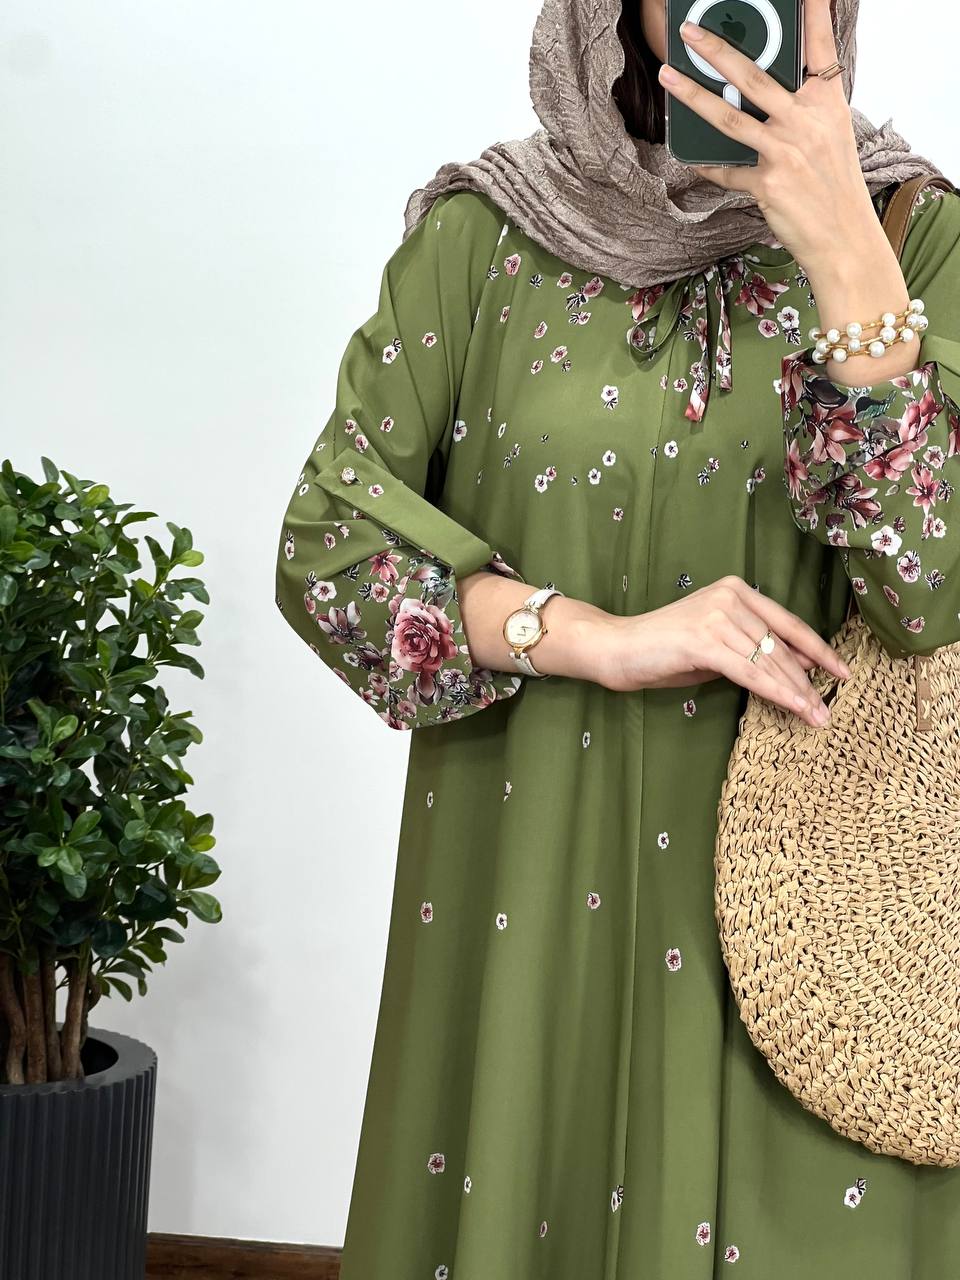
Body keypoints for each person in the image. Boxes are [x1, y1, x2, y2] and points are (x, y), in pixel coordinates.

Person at [273, 0, 960, 1273]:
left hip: (829, 933)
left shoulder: (917, 236)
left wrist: (848, 260)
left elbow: (931, 596)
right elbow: (330, 548)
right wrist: (586, 634)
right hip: (536, 890)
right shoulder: (485, 238)